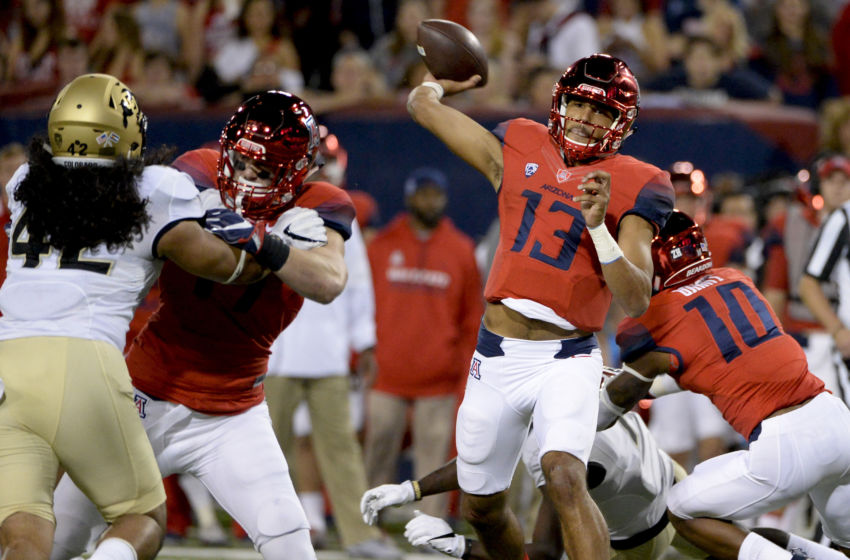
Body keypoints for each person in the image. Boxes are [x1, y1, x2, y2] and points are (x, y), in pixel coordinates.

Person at [48, 89, 353, 560]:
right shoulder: (198, 170)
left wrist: (262, 241)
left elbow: (329, 281)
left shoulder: (320, 203)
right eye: (242, 163)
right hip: (144, 393)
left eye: (264, 171)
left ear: (295, 172)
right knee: (58, 537)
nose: (247, 177)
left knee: (291, 543)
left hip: (233, 412)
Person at [0, 73, 292, 560]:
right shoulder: (156, 188)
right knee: (142, 517)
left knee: (24, 534)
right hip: (81, 359)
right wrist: (270, 246)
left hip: (9, 362)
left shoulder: (25, 181)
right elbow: (227, 269)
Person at [405, 53, 674, 560]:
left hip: (567, 357)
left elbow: (637, 296)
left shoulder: (638, 181)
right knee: (480, 508)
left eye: (603, 113)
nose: (587, 120)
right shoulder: (518, 143)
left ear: (623, 125)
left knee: (565, 476)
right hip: (497, 355)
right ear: (560, 101)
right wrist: (441, 82)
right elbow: (422, 106)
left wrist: (598, 228)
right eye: (579, 104)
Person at [599, 210, 850, 560]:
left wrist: (584, 408)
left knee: (682, 509)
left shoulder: (659, 315)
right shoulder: (737, 280)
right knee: (776, 539)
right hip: (837, 420)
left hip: (785, 444)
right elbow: (719, 361)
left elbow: (628, 383)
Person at [263, 130, 402, 558]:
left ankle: (358, 535)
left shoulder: (340, 213)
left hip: (325, 350)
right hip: (276, 347)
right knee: (262, 447)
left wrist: (366, 344)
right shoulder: (271, 206)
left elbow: (357, 286)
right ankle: (264, 526)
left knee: (340, 446)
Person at [362, 409, 706, 560]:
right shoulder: (583, 380)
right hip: (673, 482)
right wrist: (412, 490)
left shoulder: (559, 462)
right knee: (740, 548)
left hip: (634, 546)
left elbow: (542, 553)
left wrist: (458, 546)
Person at [363, 167, 483, 519]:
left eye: (436, 195)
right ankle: (369, 521)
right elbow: (362, 307)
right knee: (378, 452)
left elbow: (470, 318)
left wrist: (464, 374)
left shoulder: (460, 251)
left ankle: (432, 527)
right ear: (409, 198)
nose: (429, 202)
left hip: (438, 378)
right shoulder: (382, 246)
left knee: (434, 459)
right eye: (423, 194)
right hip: (386, 374)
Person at [798, 154, 850, 405]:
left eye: (845, 180)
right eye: (832, 180)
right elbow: (808, 284)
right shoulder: (843, 219)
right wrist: (839, 331)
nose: (839, 187)